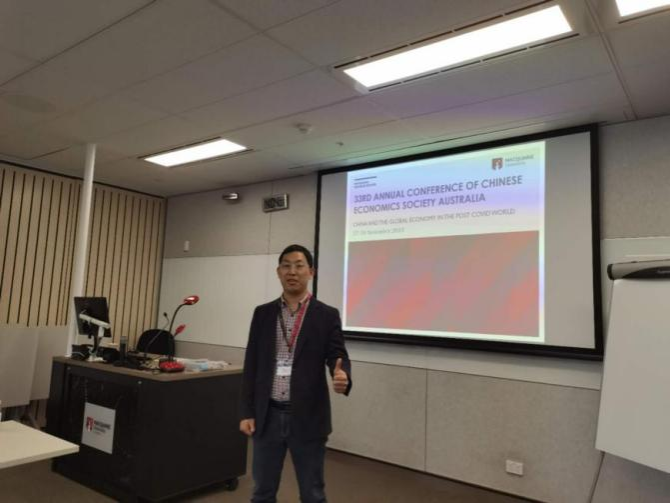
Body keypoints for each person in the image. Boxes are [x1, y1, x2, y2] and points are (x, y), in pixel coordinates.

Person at [240, 244, 352, 503]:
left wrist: (342, 374)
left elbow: (337, 355)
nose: (292, 271)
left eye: (299, 266)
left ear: (311, 272)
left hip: (308, 416)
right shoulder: (262, 313)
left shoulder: (326, 315)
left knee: (312, 493)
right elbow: (252, 364)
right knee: (262, 491)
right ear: (278, 272)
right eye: (286, 266)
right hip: (267, 415)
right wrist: (246, 411)